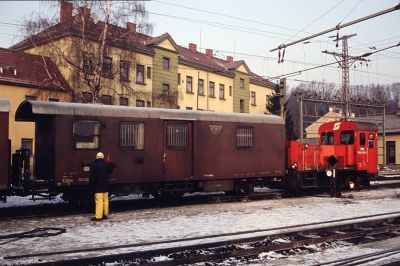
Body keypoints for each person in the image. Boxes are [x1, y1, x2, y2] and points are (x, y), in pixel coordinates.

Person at [89, 152, 113, 221]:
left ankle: (98, 216)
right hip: (106, 187)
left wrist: (91, 187)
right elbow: (110, 171)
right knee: (105, 201)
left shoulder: (95, 165)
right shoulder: (106, 165)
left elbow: (92, 178)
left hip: (98, 187)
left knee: (99, 201)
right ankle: (105, 214)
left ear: (97, 157)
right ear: (103, 157)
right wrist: (109, 163)